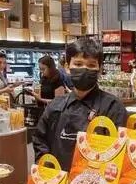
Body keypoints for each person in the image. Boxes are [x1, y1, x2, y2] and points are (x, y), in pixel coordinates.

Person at [33, 36, 128, 170]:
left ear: (100, 69)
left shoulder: (113, 107)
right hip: (58, 180)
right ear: (67, 67)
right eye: (78, 64)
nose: (84, 69)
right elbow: (40, 140)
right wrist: (47, 170)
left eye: (91, 65)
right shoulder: (55, 106)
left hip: (94, 180)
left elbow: (118, 152)